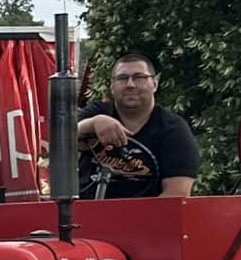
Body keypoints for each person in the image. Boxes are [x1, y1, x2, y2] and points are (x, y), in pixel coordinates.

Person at [75, 53, 200, 199]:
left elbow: (177, 194)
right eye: (122, 78)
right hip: (86, 214)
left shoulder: (173, 130)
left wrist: (137, 220)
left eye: (139, 77)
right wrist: (92, 124)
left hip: (150, 216)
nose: (130, 85)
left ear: (155, 84)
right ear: (112, 86)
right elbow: (60, 137)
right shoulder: (97, 112)